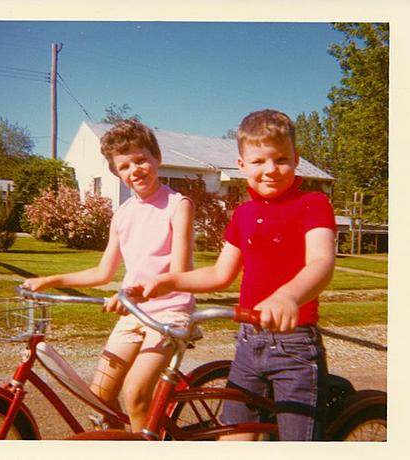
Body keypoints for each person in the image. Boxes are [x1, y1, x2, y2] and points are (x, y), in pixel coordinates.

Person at [139, 109, 336, 441]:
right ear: (241, 166)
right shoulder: (243, 213)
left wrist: (288, 295)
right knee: (231, 439)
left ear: (296, 159)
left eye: (281, 159)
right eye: (259, 161)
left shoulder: (312, 203)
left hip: (295, 346)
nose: (271, 170)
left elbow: (321, 263)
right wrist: (168, 281)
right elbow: (220, 274)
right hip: (247, 344)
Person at [22, 120, 195, 433]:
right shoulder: (124, 213)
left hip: (169, 313)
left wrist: (137, 294)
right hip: (133, 312)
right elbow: (103, 272)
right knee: (99, 395)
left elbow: (180, 273)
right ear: (117, 172)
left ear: (157, 158)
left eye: (141, 160)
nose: (135, 170)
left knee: (136, 393)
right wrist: (50, 280)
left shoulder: (178, 205)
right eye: (125, 166)